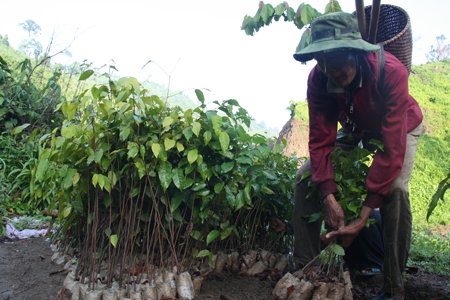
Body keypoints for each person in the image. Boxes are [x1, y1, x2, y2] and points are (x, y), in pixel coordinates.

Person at [290, 12, 424, 300]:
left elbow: (391, 147)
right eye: (323, 63)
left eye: (338, 63)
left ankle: (393, 286)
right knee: (304, 176)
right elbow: (320, 141)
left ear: (356, 53)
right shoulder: (320, 79)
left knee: (396, 190)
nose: (332, 72)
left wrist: (363, 216)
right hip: (355, 128)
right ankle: (307, 270)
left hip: (400, 126)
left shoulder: (391, 72)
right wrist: (329, 196)